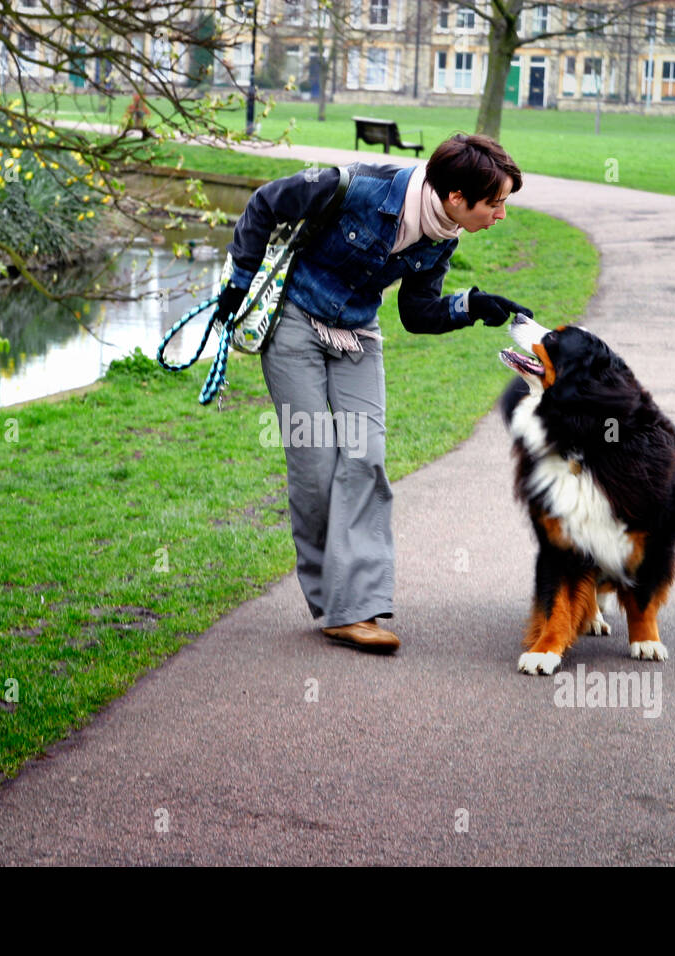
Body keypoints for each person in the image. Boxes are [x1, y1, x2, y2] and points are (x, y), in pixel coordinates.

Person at [217, 134, 532, 653]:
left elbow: (416, 313)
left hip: (358, 336)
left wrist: (472, 306)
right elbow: (264, 204)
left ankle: (357, 610)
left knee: (367, 459)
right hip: (294, 321)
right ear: (456, 196)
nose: (501, 214)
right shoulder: (355, 186)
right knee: (317, 464)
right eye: (495, 203)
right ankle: (334, 608)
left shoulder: (442, 236)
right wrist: (239, 281)